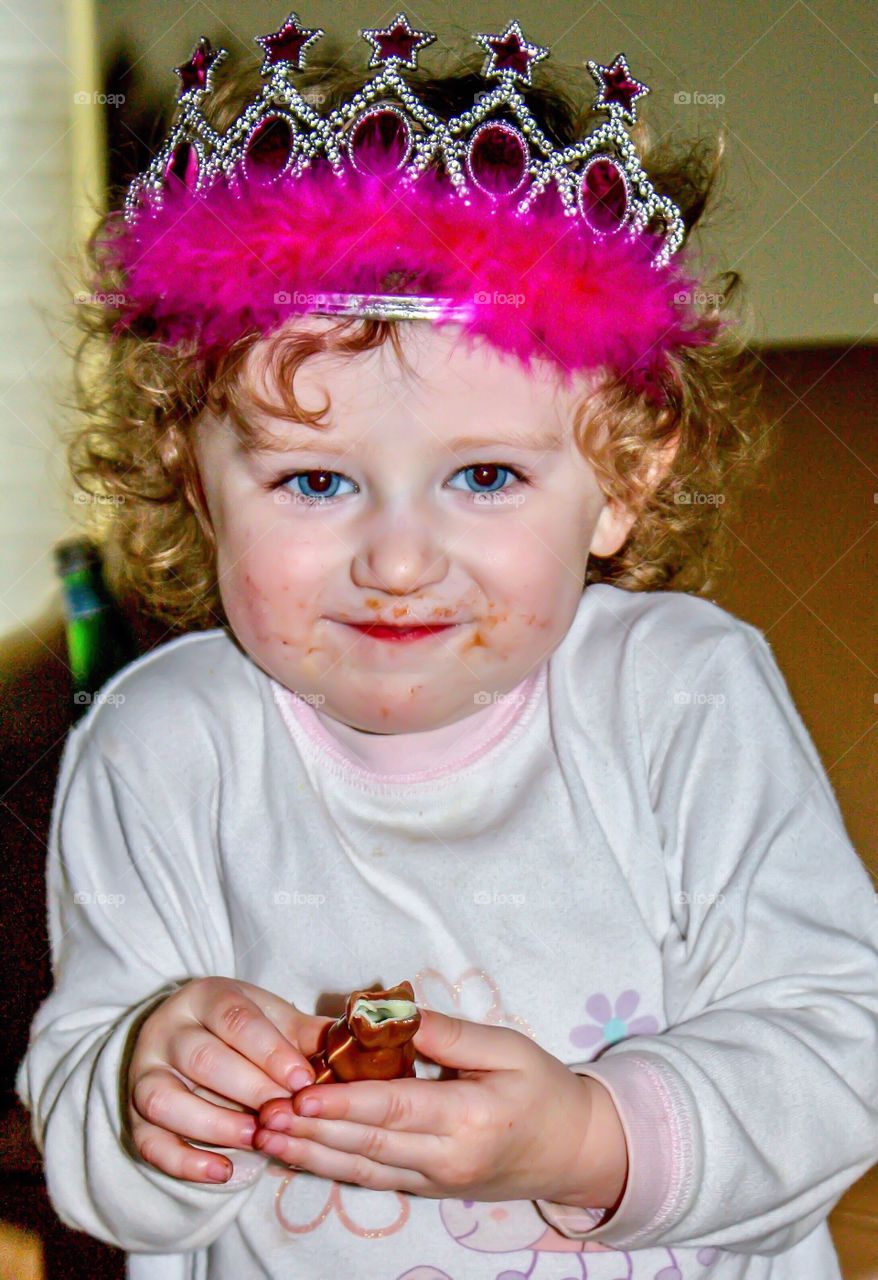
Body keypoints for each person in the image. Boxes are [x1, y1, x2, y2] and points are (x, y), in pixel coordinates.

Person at [16, 14, 878, 1280]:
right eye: (314, 484)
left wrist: (591, 1137)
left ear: (625, 473)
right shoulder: (163, 745)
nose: (400, 561)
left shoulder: (679, 694)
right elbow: (91, 1135)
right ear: (188, 480)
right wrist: (148, 1085)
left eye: (482, 474)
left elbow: (835, 1043)